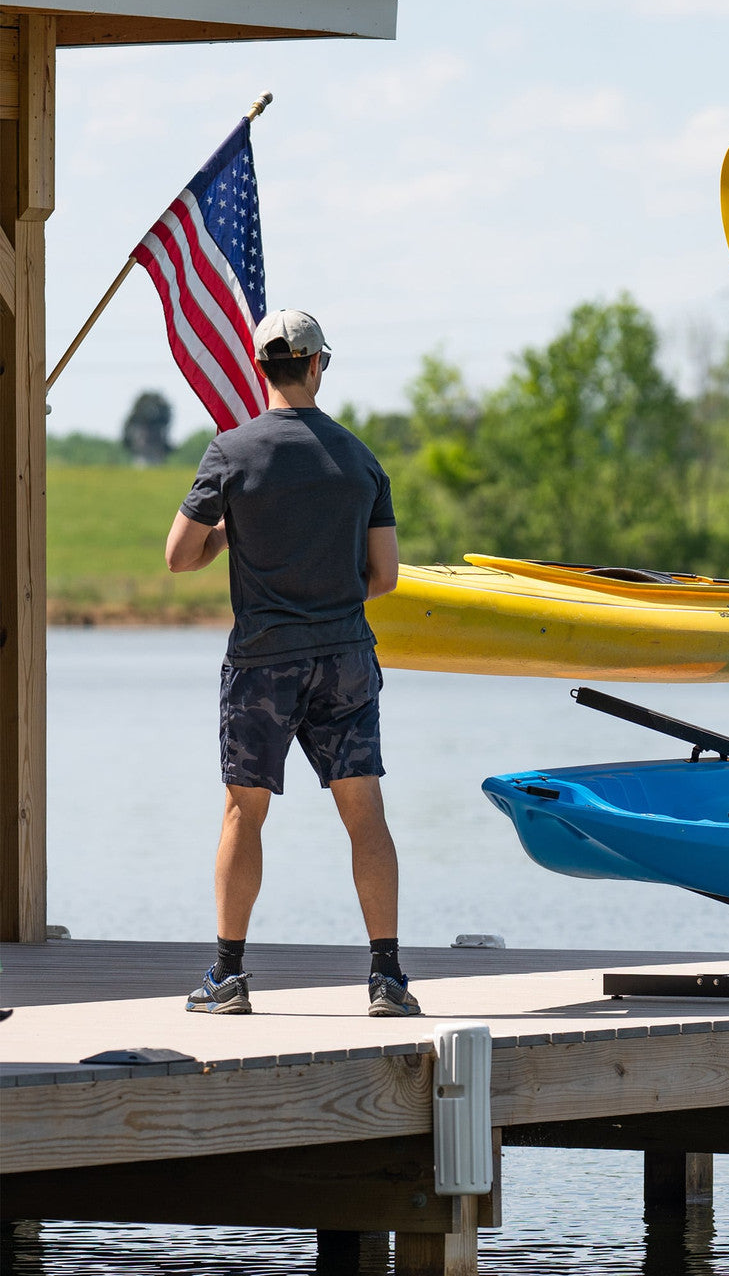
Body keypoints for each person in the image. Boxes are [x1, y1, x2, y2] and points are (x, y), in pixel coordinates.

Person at [166, 309, 421, 1016]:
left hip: (262, 661)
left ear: (260, 369)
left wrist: (226, 538)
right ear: (317, 366)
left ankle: (227, 977)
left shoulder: (231, 452)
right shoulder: (360, 458)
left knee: (242, 814)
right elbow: (386, 575)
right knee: (364, 812)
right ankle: (387, 978)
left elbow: (179, 555)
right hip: (344, 656)